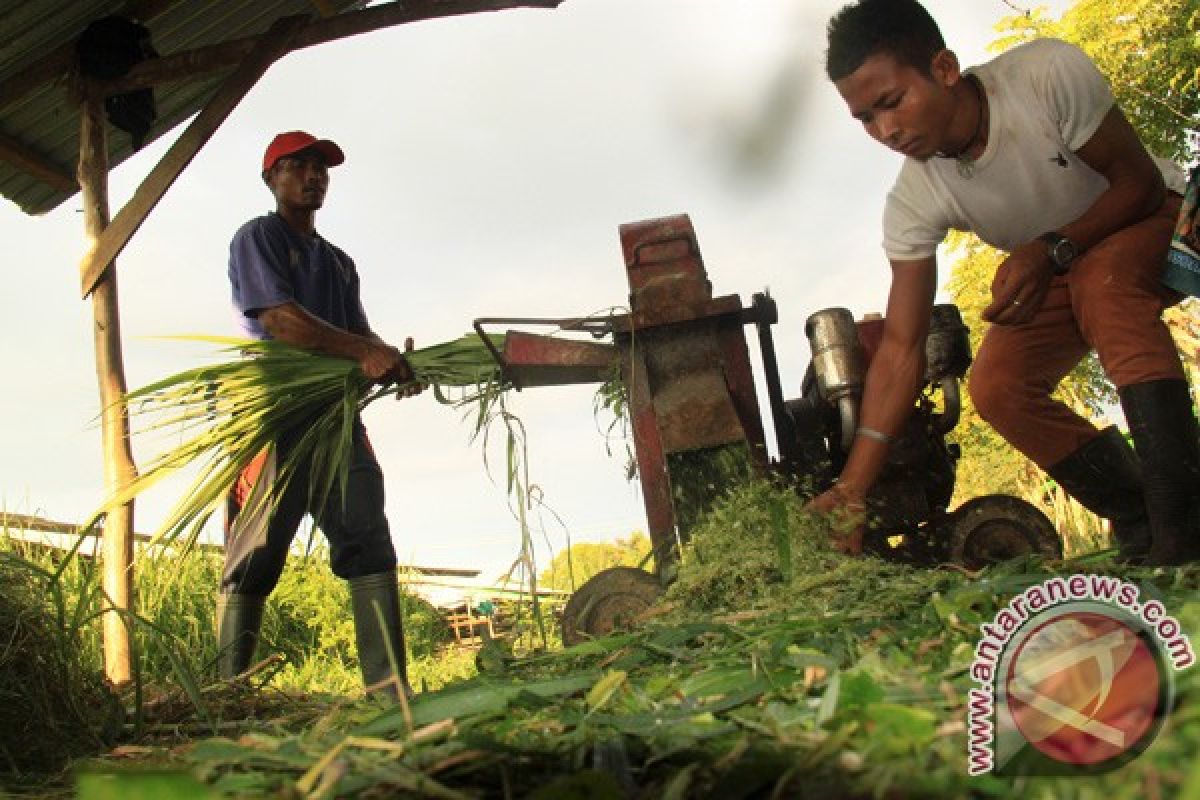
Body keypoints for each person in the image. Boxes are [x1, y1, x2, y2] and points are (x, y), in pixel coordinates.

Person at [813, 0, 1199, 565]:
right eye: (866, 118)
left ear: (944, 69)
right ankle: (1141, 514)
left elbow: (1137, 182)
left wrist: (1049, 251)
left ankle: (1182, 534)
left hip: (1152, 223)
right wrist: (852, 487)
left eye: (892, 102)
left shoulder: (1045, 77)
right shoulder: (914, 198)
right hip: (1064, 267)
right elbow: (901, 347)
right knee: (995, 387)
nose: (886, 130)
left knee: (1102, 282)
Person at [216, 130, 421, 696]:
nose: (313, 176)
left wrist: (393, 361)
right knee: (254, 553)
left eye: (321, 169)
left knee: (368, 536)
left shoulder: (337, 263)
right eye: (299, 166)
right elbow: (281, 321)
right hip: (275, 419)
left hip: (337, 421)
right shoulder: (257, 238)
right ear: (271, 179)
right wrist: (362, 353)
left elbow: (360, 333)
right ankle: (229, 694)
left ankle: (389, 693)